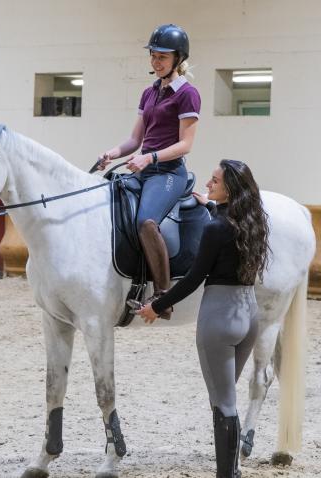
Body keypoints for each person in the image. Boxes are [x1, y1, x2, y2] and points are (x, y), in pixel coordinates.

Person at [137, 160, 269, 478]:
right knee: (226, 396)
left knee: (223, 402)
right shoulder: (255, 222)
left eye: (214, 181)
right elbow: (226, 226)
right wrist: (209, 204)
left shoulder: (214, 229)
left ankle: (228, 474)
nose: (208, 184)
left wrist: (158, 305)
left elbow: (194, 277)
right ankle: (232, 469)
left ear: (231, 189)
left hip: (219, 319)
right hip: (249, 315)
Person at [97, 24, 200, 319]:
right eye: (153, 56)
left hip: (169, 172)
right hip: (145, 168)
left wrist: (149, 158)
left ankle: (163, 296)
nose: (156, 63)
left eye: (162, 58)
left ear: (178, 59)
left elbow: (185, 145)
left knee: (145, 221)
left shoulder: (188, 94)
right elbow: (135, 140)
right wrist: (112, 153)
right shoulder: (149, 93)